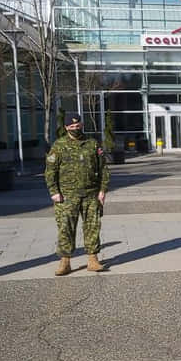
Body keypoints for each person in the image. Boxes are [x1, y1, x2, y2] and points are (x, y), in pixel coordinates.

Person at [45, 112, 110, 276]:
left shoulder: (92, 144)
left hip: (91, 194)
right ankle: (65, 261)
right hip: (67, 196)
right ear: (66, 127)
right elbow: (50, 171)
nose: (76, 128)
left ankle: (93, 259)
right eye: (72, 126)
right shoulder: (58, 146)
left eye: (78, 125)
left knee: (93, 227)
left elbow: (103, 169)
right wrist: (54, 192)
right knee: (65, 228)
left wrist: (102, 190)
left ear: (82, 125)